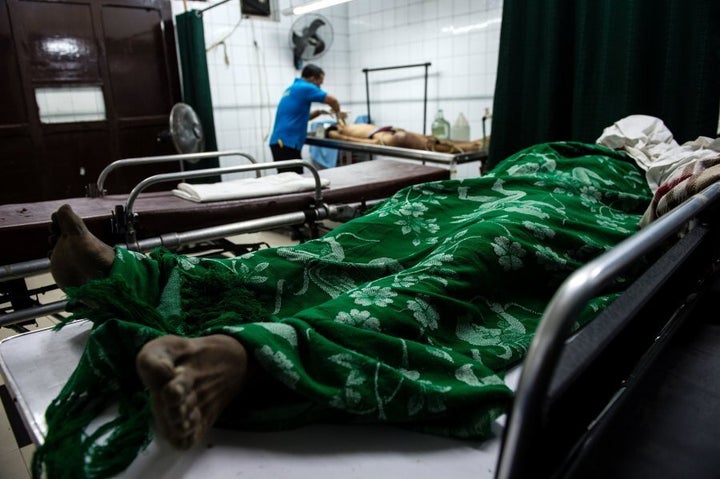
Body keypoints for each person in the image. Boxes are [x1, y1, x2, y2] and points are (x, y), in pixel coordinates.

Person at [37, 141, 652, 478]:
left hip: (559, 205)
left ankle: (247, 355)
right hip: (504, 182)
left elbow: (686, 199)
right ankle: (141, 278)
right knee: (358, 239)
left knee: (475, 254)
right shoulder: (555, 149)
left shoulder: (656, 168)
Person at [269, 64, 342, 174]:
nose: (319, 87)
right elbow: (333, 101)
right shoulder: (305, 87)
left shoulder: (292, 88)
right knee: (294, 182)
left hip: (280, 143)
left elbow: (298, 117)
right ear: (313, 78)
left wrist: (319, 112)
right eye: (319, 83)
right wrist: (339, 116)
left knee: (289, 179)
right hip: (286, 144)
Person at [326, 123, 489, 154]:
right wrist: (376, 143)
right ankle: (473, 147)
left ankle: (474, 144)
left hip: (391, 133)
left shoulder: (350, 124)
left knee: (432, 140)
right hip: (387, 138)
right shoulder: (334, 132)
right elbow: (352, 141)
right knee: (431, 145)